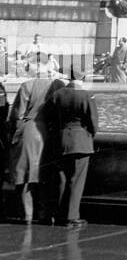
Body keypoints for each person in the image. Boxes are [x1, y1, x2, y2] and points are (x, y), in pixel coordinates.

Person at [5, 68, 62, 224]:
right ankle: (45, 214)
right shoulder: (58, 85)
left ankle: (27, 215)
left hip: (29, 132)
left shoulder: (27, 86)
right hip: (49, 134)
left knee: (24, 176)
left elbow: (17, 115)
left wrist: (12, 135)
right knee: (44, 176)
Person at [48, 74, 98, 228]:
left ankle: (58, 213)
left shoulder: (57, 94)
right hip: (81, 141)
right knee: (76, 180)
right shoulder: (87, 95)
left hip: (61, 140)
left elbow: (51, 119)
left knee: (62, 178)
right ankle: (72, 216)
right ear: (82, 77)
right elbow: (93, 122)